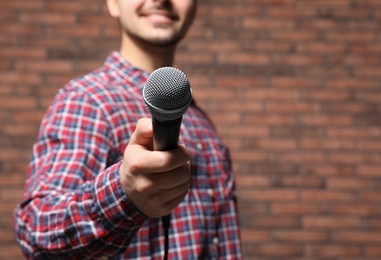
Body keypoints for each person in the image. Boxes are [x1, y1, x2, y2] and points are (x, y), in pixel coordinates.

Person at [13, 0, 242, 259]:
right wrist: (124, 193)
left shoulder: (198, 118)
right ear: (113, 4)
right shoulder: (89, 99)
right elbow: (37, 231)